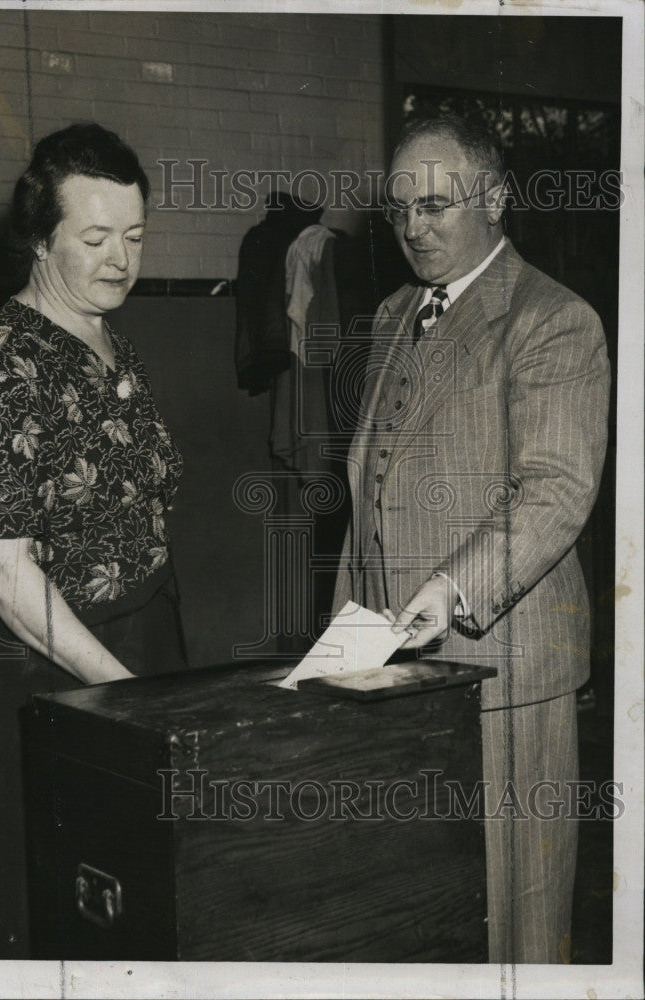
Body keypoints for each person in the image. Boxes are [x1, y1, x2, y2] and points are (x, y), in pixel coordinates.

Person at [333, 114, 610, 963]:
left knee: (517, 921)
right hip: (397, 672)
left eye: (435, 206)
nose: (413, 227)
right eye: (398, 210)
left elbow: (558, 490)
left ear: (495, 198)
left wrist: (453, 589)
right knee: (426, 909)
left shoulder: (553, 319)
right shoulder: (391, 314)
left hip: (506, 666)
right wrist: (343, 638)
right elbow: (366, 493)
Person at [0, 123, 187, 957]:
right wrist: (129, 696)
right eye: (94, 237)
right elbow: (2, 574)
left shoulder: (106, 334)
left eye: (135, 236)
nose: (121, 258)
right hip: (45, 672)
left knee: (147, 893)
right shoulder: (0, 372)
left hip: (135, 642)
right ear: (41, 241)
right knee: (59, 913)